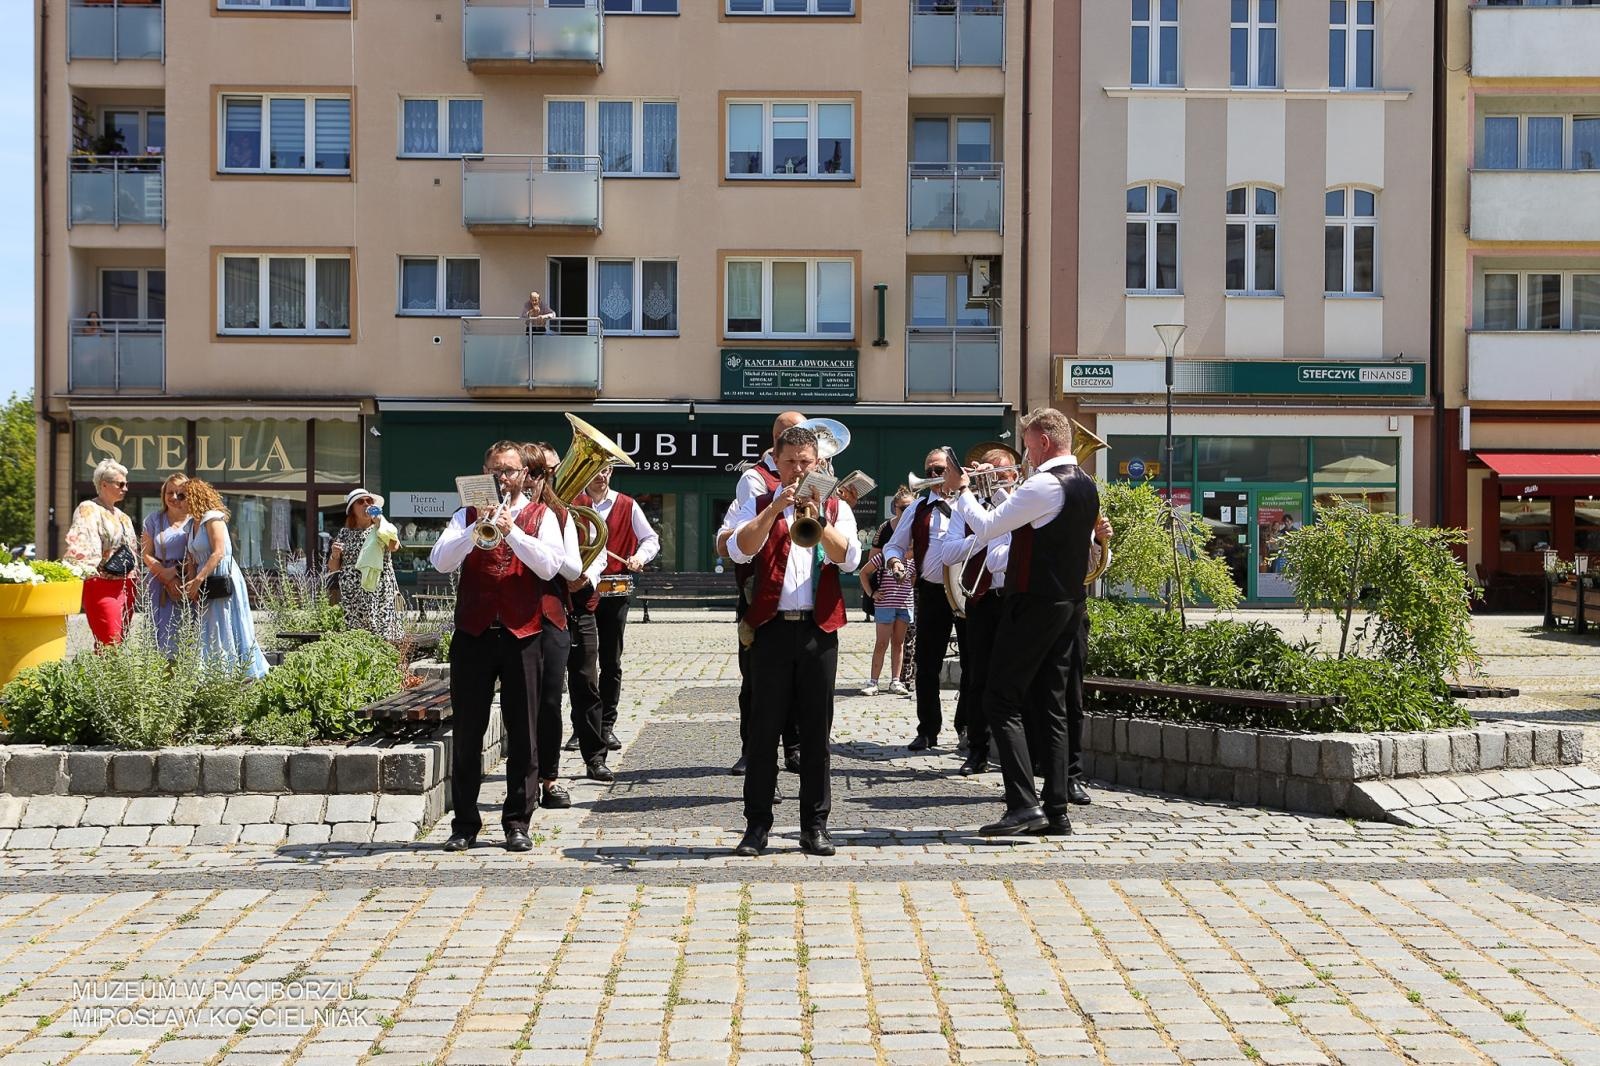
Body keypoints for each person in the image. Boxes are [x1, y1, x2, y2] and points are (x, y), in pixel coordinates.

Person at [942, 408, 1100, 838]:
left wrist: (963, 491)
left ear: (1044, 442)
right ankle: (1057, 808)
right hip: (1068, 604)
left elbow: (990, 527)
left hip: (1033, 603)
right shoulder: (1086, 484)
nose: (1024, 455)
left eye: (1027, 445)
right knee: (1050, 706)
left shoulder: (1045, 483)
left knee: (1000, 701)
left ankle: (1022, 804)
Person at [726, 424, 862, 857]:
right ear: (776, 461)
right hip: (770, 629)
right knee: (764, 732)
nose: (799, 471)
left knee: (817, 733)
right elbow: (737, 550)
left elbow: (850, 559)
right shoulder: (758, 500)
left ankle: (815, 826)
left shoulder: (836, 507)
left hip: (818, 630)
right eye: (790, 463)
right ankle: (757, 826)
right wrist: (772, 511)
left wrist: (818, 517)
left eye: (806, 463)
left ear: (818, 463)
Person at [430, 441, 568, 853]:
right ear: (483, 474)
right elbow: (440, 561)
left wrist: (514, 532)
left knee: (523, 732)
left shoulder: (542, 516)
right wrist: (476, 530)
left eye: (509, 471)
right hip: (473, 634)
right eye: (495, 471)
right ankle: (465, 824)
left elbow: (550, 566)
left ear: (525, 475)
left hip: (522, 633)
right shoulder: (464, 515)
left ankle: (517, 822)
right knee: (468, 732)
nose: (502, 479)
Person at [716, 410, 807, 779]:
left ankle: (796, 747)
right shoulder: (754, 478)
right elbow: (750, 530)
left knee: (801, 677)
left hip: (799, 584)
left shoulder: (814, 470)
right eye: (797, 439)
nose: (800, 461)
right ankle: (752, 747)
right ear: (779, 440)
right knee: (755, 677)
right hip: (761, 587)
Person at [938, 445, 1021, 776]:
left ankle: (1017, 754)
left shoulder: (1022, 502)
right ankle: (977, 750)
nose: (994, 480)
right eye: (988, 474)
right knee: (978, 676)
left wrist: (989, 522)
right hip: (981, 598)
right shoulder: (965, 505)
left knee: (1014, 675)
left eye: (1000, 474)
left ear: (1014, 475)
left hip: (1014, 596)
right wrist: (985, 535)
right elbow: (947, 552)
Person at [884, 448, 965, 751]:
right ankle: (927, 729)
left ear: (953, 470)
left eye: (940, 469)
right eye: (930, 470)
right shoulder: (918, 508)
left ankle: (965, 727)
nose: (934, 475)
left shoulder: (968, 503)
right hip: (932, 591)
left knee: (972, 662)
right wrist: (894, 562)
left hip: (967, 593)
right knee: (927, 663)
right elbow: (894, 545)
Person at [584, 461, 660, 753]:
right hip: (582, 590)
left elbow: (651, 538)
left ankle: (606, 725)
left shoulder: (627, 505)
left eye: (605, 471)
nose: (600, 476)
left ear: (611, 474)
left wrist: (640, 557)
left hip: (614, 590)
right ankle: (583, 728)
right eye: (595, 471)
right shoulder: (574, 504)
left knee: (611, 661)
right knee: (583, 665)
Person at [180, 480, 268, 679]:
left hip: (219, 577)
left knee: (225, 623)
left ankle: (235, 673)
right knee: (210, 626)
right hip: (205, 581)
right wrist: (193, 582)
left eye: (182, 496)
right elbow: (191, 558)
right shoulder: (191, 524)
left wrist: (198, 580)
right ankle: (214, 674)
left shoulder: (212, 518)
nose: (177, 500)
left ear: (195, 496)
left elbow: (219, 552)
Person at [65, 458, 140, 646]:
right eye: (120, 484)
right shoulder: (88, 508)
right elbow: (83, 547)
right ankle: (106, 674)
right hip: (102, 584)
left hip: (127, 584)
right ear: (104, 484)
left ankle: (109, 676)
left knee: (118, 641)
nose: (125, 488)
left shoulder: (123, 517)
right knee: (109, 639)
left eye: (126, 484)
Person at [857, 487, 916, 697]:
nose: (908, 512)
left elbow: (916, 577)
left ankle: (896, 680)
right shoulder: (885, 540)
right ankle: (873, 680)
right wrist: (872, 593)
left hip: (905, 602)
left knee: (900, 643)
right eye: (903, 508)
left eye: (911, 508)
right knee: (882, 642)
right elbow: (866, 571)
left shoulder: (914, 546)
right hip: (886, 601)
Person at [325, 488, 401, 641]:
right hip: (353, 593)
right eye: (361, 502)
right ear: (353, 508)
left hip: (379, 590)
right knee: (356, 634)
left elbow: (394, 547)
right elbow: (333, 568)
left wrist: (380, 525)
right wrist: (335, 554)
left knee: (382, 631)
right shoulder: (344, 533)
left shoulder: (382, 527)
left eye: (369, 501)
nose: (366, 504)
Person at [139, 473, 192, 656]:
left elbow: (202, 553)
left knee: (189, 635)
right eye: (170, 492)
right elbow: (146, 554)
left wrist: (177, 572)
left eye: (181, 493)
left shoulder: (196, 520)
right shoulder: (153, 520)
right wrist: (166, 577)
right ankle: (163, 680)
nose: (174, 497)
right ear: (163, 494)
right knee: (161, 638)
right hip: (159, 586)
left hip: (189, 582)